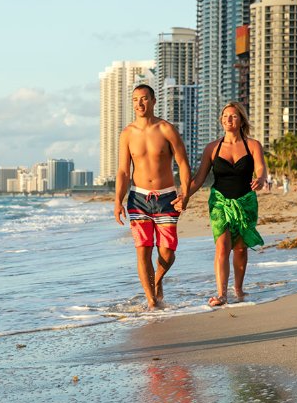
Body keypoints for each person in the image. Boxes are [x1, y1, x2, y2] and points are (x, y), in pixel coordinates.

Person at [114, 84, 192, 310]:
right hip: (138, 199)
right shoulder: (127, 133)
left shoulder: (166, 129)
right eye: (135, 99)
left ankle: (157, 281)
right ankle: (151, 301)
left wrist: (185, 193)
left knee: (167, 252)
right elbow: (122, 171)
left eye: (144, 98)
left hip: (166, 197)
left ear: (154, 101)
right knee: (143, 249)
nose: (139, 103)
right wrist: (118, 200)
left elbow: (183, 163)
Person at [182, 102, 268, 307]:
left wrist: (261, 179)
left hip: (245, 201)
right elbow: (200, 178)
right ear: (221, 120)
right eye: (225, 116)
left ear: (241, 121)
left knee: (240, 249)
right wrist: (184, 196)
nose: (228, 119)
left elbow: (261, 170)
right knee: (222, 247)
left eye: (233, 116)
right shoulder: (212, 148)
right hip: (219, 201)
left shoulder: (253, 145)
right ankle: (221, 294)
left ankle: (238, 288)